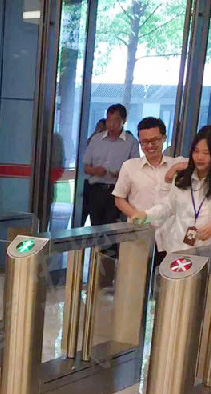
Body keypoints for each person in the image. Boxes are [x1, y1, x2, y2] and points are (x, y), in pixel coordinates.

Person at [126, 124, 211, 253]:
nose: (199, 157)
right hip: (177, 249)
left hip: (207, 251)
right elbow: (167, 206)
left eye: (206, 153)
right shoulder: (181, 179)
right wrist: (146, 215)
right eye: (196, 151)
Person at [113, 116, 187, 271]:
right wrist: (137, 216)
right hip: (139, 234)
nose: (150, 146)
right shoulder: (130, 167)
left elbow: (203, 164)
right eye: (144, 142)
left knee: (166, 278)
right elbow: (119, 199)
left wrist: (174, 170)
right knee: (135, 277)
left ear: (164, 138)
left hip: (169, 236)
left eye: (155, 140)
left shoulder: (177, 164)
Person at [82, 104, 139, 283]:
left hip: (116, 193)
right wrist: (95, 170)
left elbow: (135, 169)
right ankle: (94, 272)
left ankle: (107, 276)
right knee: (96, 230)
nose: (111, 124)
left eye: (116, 121)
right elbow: (85, 166)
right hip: (96, 189)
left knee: (111, 232)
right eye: (109, 120)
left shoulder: (130, 142)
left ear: (124, 121)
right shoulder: (96, 139)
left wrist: (120, 174)